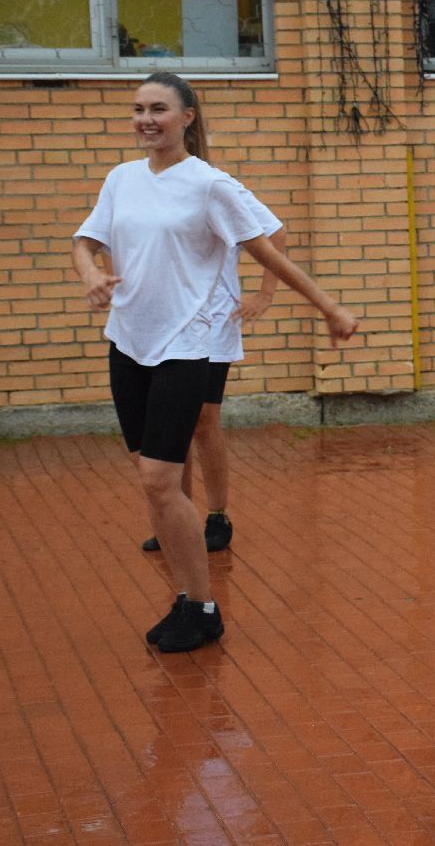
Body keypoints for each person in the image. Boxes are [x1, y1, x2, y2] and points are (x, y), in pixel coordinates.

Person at [73, 71, 359, 653]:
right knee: (156, 484)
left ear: (187, 118)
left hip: (189, 341)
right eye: (138, 109)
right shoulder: (121, 179)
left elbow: (268, 249)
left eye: (158, 109)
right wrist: (91, 275)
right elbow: (85, 240)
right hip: (128, 340)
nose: (145, 119)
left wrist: (328, 307)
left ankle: (203, 607)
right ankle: (186, 592)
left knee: (160, 475)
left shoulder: (210, 185)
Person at [141, 152, 288, 555]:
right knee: (171, 423)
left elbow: (275, 232)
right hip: (165, 324)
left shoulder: (217, 185)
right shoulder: (140, 187)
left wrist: (265, 293)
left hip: (214, 322)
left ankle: (217, 515)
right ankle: (176, 519)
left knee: (203, 421)